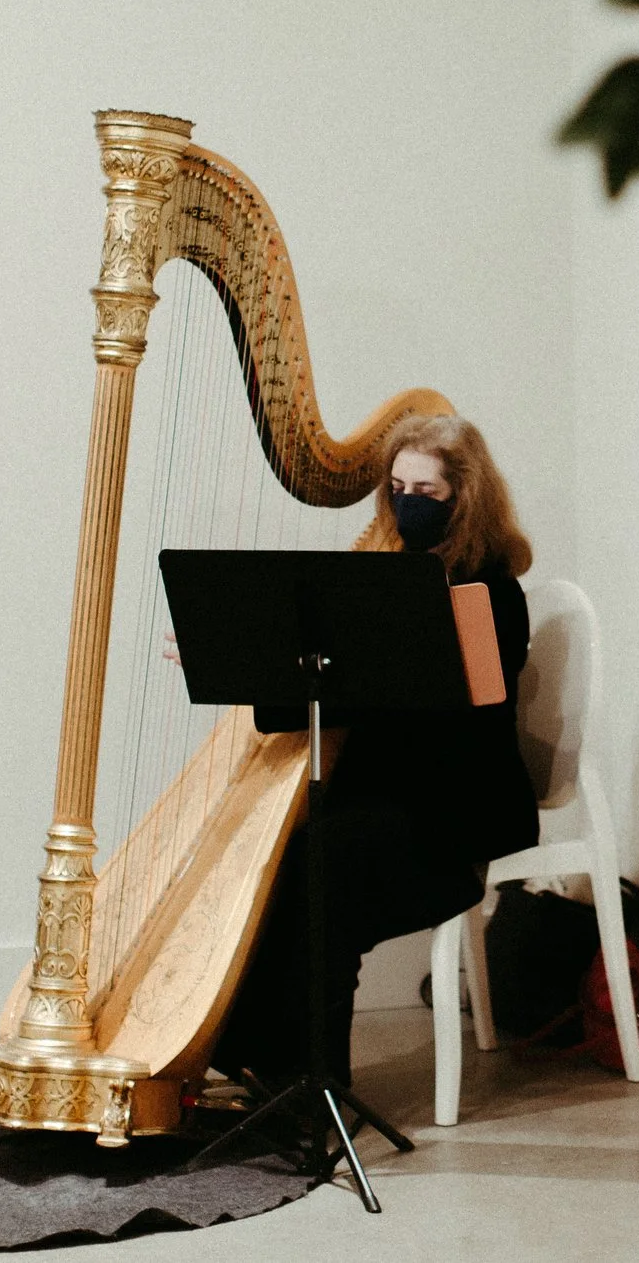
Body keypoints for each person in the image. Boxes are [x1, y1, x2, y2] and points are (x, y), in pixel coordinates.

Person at [208, 413, 539, 1090]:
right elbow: (338, 688)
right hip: (389, 805)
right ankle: (272, 1060)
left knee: (323, 866)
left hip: (451, 823)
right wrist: (239, 659)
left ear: (465, 496)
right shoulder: (384, 584)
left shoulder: (491, 592)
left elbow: (435, 713)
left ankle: (315, 1082)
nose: (408, 502)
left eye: (427, 490)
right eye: (397, 487)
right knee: (298, 858)